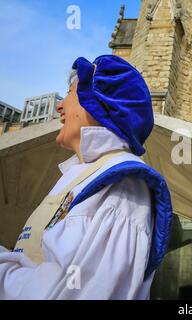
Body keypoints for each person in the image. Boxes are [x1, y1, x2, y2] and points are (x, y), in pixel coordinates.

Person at [0, 55, 173, 299]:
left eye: (70, 93)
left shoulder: (122, 186)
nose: (59, 106)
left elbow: (73, 293)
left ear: (97, 105)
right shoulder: (81, 173)